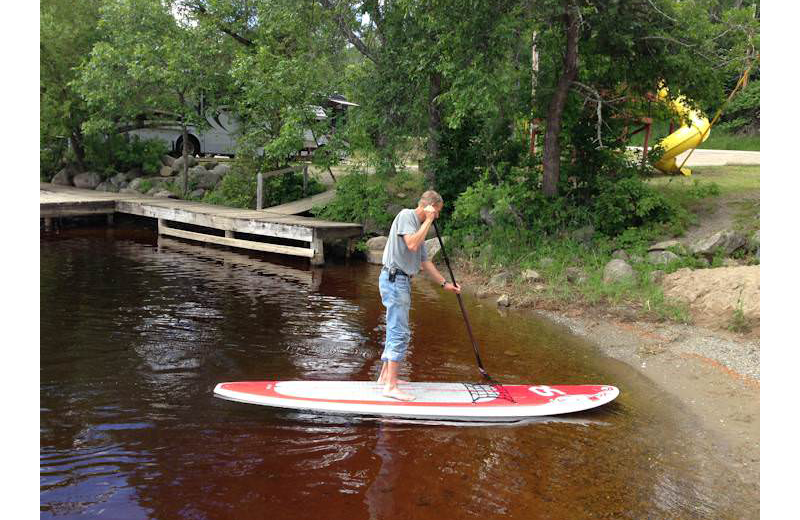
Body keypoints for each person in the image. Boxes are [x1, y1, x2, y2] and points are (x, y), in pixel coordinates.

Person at [377, 190, 461, 401]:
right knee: (399, 331)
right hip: (394, 280)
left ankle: (385, 377)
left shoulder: (419, 228)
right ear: (428, 207)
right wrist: (429, 220)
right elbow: (411, 244)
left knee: (396, 329)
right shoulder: (407, 216)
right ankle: (391, 386)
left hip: (401, 281)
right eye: (437, 211)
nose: (437, 217)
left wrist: (445, 284)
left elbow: (425, 263)